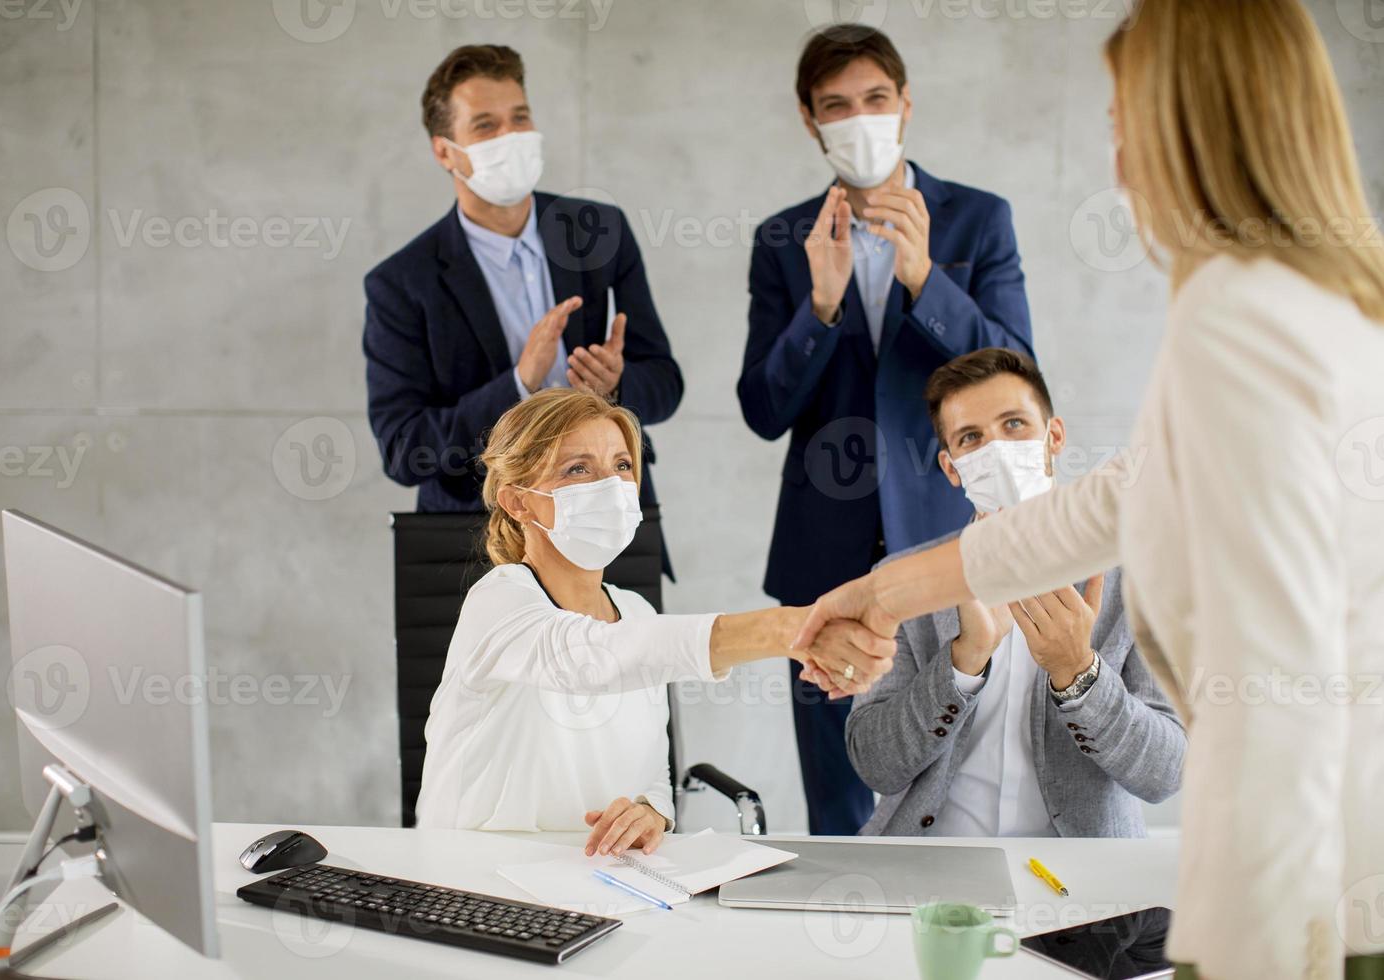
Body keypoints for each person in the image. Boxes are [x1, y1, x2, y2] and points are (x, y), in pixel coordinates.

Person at [794, 1, 1384, 976]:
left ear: (1190, 125)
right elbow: (1108, 503)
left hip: (1298, 894)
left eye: (1124, 128)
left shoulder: (1237, 314)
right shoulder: (1323, 298)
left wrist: (1236, 944)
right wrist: (881, 593)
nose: (1117, 167)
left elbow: (1283, 690)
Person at [738, 24, 1033, 835]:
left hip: (943, 540)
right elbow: (763, 409)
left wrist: (925, 281)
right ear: (810, 120)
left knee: (953, 772)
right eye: (837, 106)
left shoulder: (978, 219)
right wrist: (821, 307)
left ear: (905, 105)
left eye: (874, 99)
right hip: (822, 548)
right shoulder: (782, 239)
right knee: (835, 790)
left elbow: (1019, 376)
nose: (858, 118)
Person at [415, 388, 893, 857]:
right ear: (518, 502)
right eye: (577, 469)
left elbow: (652, 774)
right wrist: (788, 628)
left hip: (592, 881)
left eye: (622, 466)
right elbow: (595, 659)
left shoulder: (636, 612)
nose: (611, 486)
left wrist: (651, 812)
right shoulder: (498, 602)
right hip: (476, 883)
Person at [363, 44, 684, 570]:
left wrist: (616, 386)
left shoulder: (600, 231)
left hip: (615, 532)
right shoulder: (401, 283)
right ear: (445, 152)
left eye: (520, 118)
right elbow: (404, 450)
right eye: (486, 126)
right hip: (475, 549)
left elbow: (666, 386)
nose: (510, 137)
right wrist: (517, 386)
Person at [842, 348, 1185, 838]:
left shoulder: (1140, 577)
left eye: (1014, 424)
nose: (997, 449)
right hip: (932, 867)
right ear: (951, 467)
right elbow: (875, 765)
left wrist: (1079, 673)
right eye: (971, 438)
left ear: (1055, 438)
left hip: (1081, 884)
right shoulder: (906, 579)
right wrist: (963, 660)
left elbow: (1167, 773)